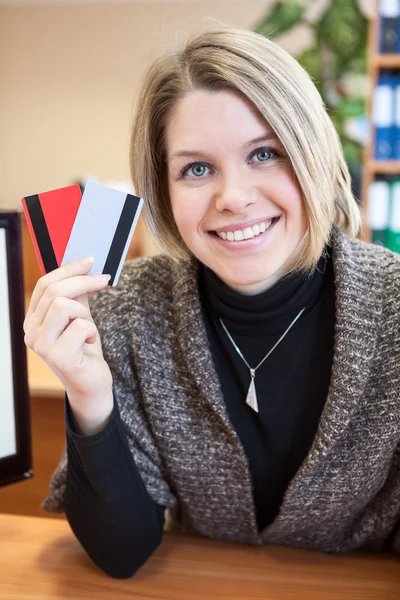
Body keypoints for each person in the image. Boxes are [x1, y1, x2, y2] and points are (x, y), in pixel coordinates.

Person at [24, 26, 400, 579]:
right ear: (164, 188)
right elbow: (121, 551)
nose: (233, 198)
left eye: (265, 154)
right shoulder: (125, 309)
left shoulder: (393, 305)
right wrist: (88, 394)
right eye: (196, 169)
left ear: (312, 155)